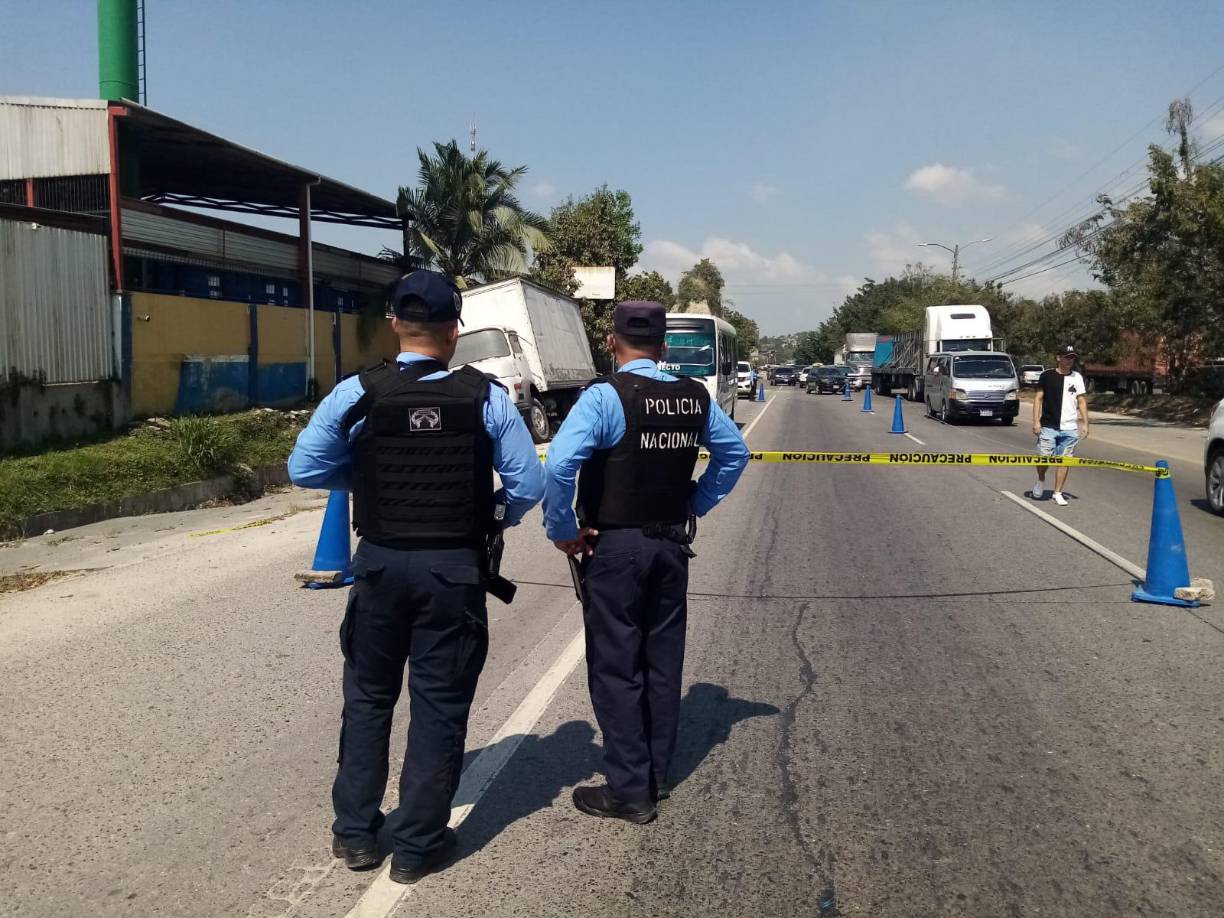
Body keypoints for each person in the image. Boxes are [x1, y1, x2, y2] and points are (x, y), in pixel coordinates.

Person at [287, 271, 545, 883]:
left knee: (369, 699)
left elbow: (305, 467)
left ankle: (355, 836)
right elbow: (529, 485)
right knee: (438, 706)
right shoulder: (486, 397)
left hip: (378, 565)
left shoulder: (359, 391)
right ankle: (416, 847)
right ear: (454, 329)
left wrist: (366, 479)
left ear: (396, 324)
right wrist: (491, 514)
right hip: (453, 571)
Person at [543, 300, 750, 824]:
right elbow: (735, 454)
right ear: (663, 347)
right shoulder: (693, 395)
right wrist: (695, 503)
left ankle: (628, 790)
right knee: (662, 663)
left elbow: (561, 465)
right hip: (670, 547)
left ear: (612, 343)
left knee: (616, 667)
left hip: (615, 548)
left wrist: (564, 531)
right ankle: (655, 773)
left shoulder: (603, 398)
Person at [1031, 345, 1090, 507]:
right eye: (1066, 357)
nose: (1069, 360)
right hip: (1048, 426)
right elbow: (1038, 398)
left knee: (1065, 461)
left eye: (1072, 357)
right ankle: (1041, 479)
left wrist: (1085, 423)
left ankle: (1057, 492)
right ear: (1058, 358)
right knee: (1044, 459)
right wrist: (1036, 421)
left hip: (1069, 428)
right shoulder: (1047, 376)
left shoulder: (1077, 377)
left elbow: (1082, 400)